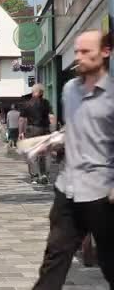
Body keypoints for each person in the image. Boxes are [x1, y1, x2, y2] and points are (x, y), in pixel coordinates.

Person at [32, 30, 114, 289]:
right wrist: (49, 142)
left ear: (105, 52)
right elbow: (74, 129)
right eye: (77, 51)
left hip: (103, 194)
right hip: (68, 189)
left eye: (85, 52)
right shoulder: (69, 90)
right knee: (54, 259)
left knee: (111, 263)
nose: (78, 57)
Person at [20, 83, 52, 184]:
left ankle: (34, 176)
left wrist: (21, 132)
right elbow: (51, 117)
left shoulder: (27, 103)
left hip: (31, 130)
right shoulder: (46, 103)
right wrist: (52, 130)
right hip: (44, 130)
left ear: (34, 92)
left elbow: (22, 120)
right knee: (44, 153)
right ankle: (44, 174)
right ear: (41, 93)